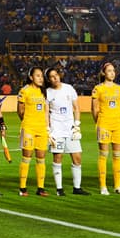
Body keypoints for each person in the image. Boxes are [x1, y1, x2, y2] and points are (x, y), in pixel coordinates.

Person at [45, 66, 88, 196]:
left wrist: (77, 125)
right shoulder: (48, 92)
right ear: (49, 80)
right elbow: (46, 112)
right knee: (58, 157)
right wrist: (48, 129)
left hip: (70, 129)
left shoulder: (69, 88)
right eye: (52, 77)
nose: (55, 78)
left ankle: (77, 188)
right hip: (56, 130)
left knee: (77, 157)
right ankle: (59, 189)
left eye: (56, 75)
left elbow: (76, 108)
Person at [91, 61, 120, 195]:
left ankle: (118, 186)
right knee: (104, 155)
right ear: (104, 73)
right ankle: (103, 186)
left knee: (117, 156)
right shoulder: (98, 88)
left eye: (113, 71)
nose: (112, 73)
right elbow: (94, 109)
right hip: (104, 123)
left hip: (117, 124)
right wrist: (99, 122)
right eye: (109, 71)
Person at [17, 66, 49, 196]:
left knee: (41, 158)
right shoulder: (24, 91)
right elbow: (20, 111)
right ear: (31, 77)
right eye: (37, 76)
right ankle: (22, 188)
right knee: (27, 157)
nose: (40, 78)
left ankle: (40, 188)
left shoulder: (44, 92)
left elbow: (46, 111)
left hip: (41, 128)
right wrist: (27, 123)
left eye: (41, 76)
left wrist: (47, 126)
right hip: (29, 127)